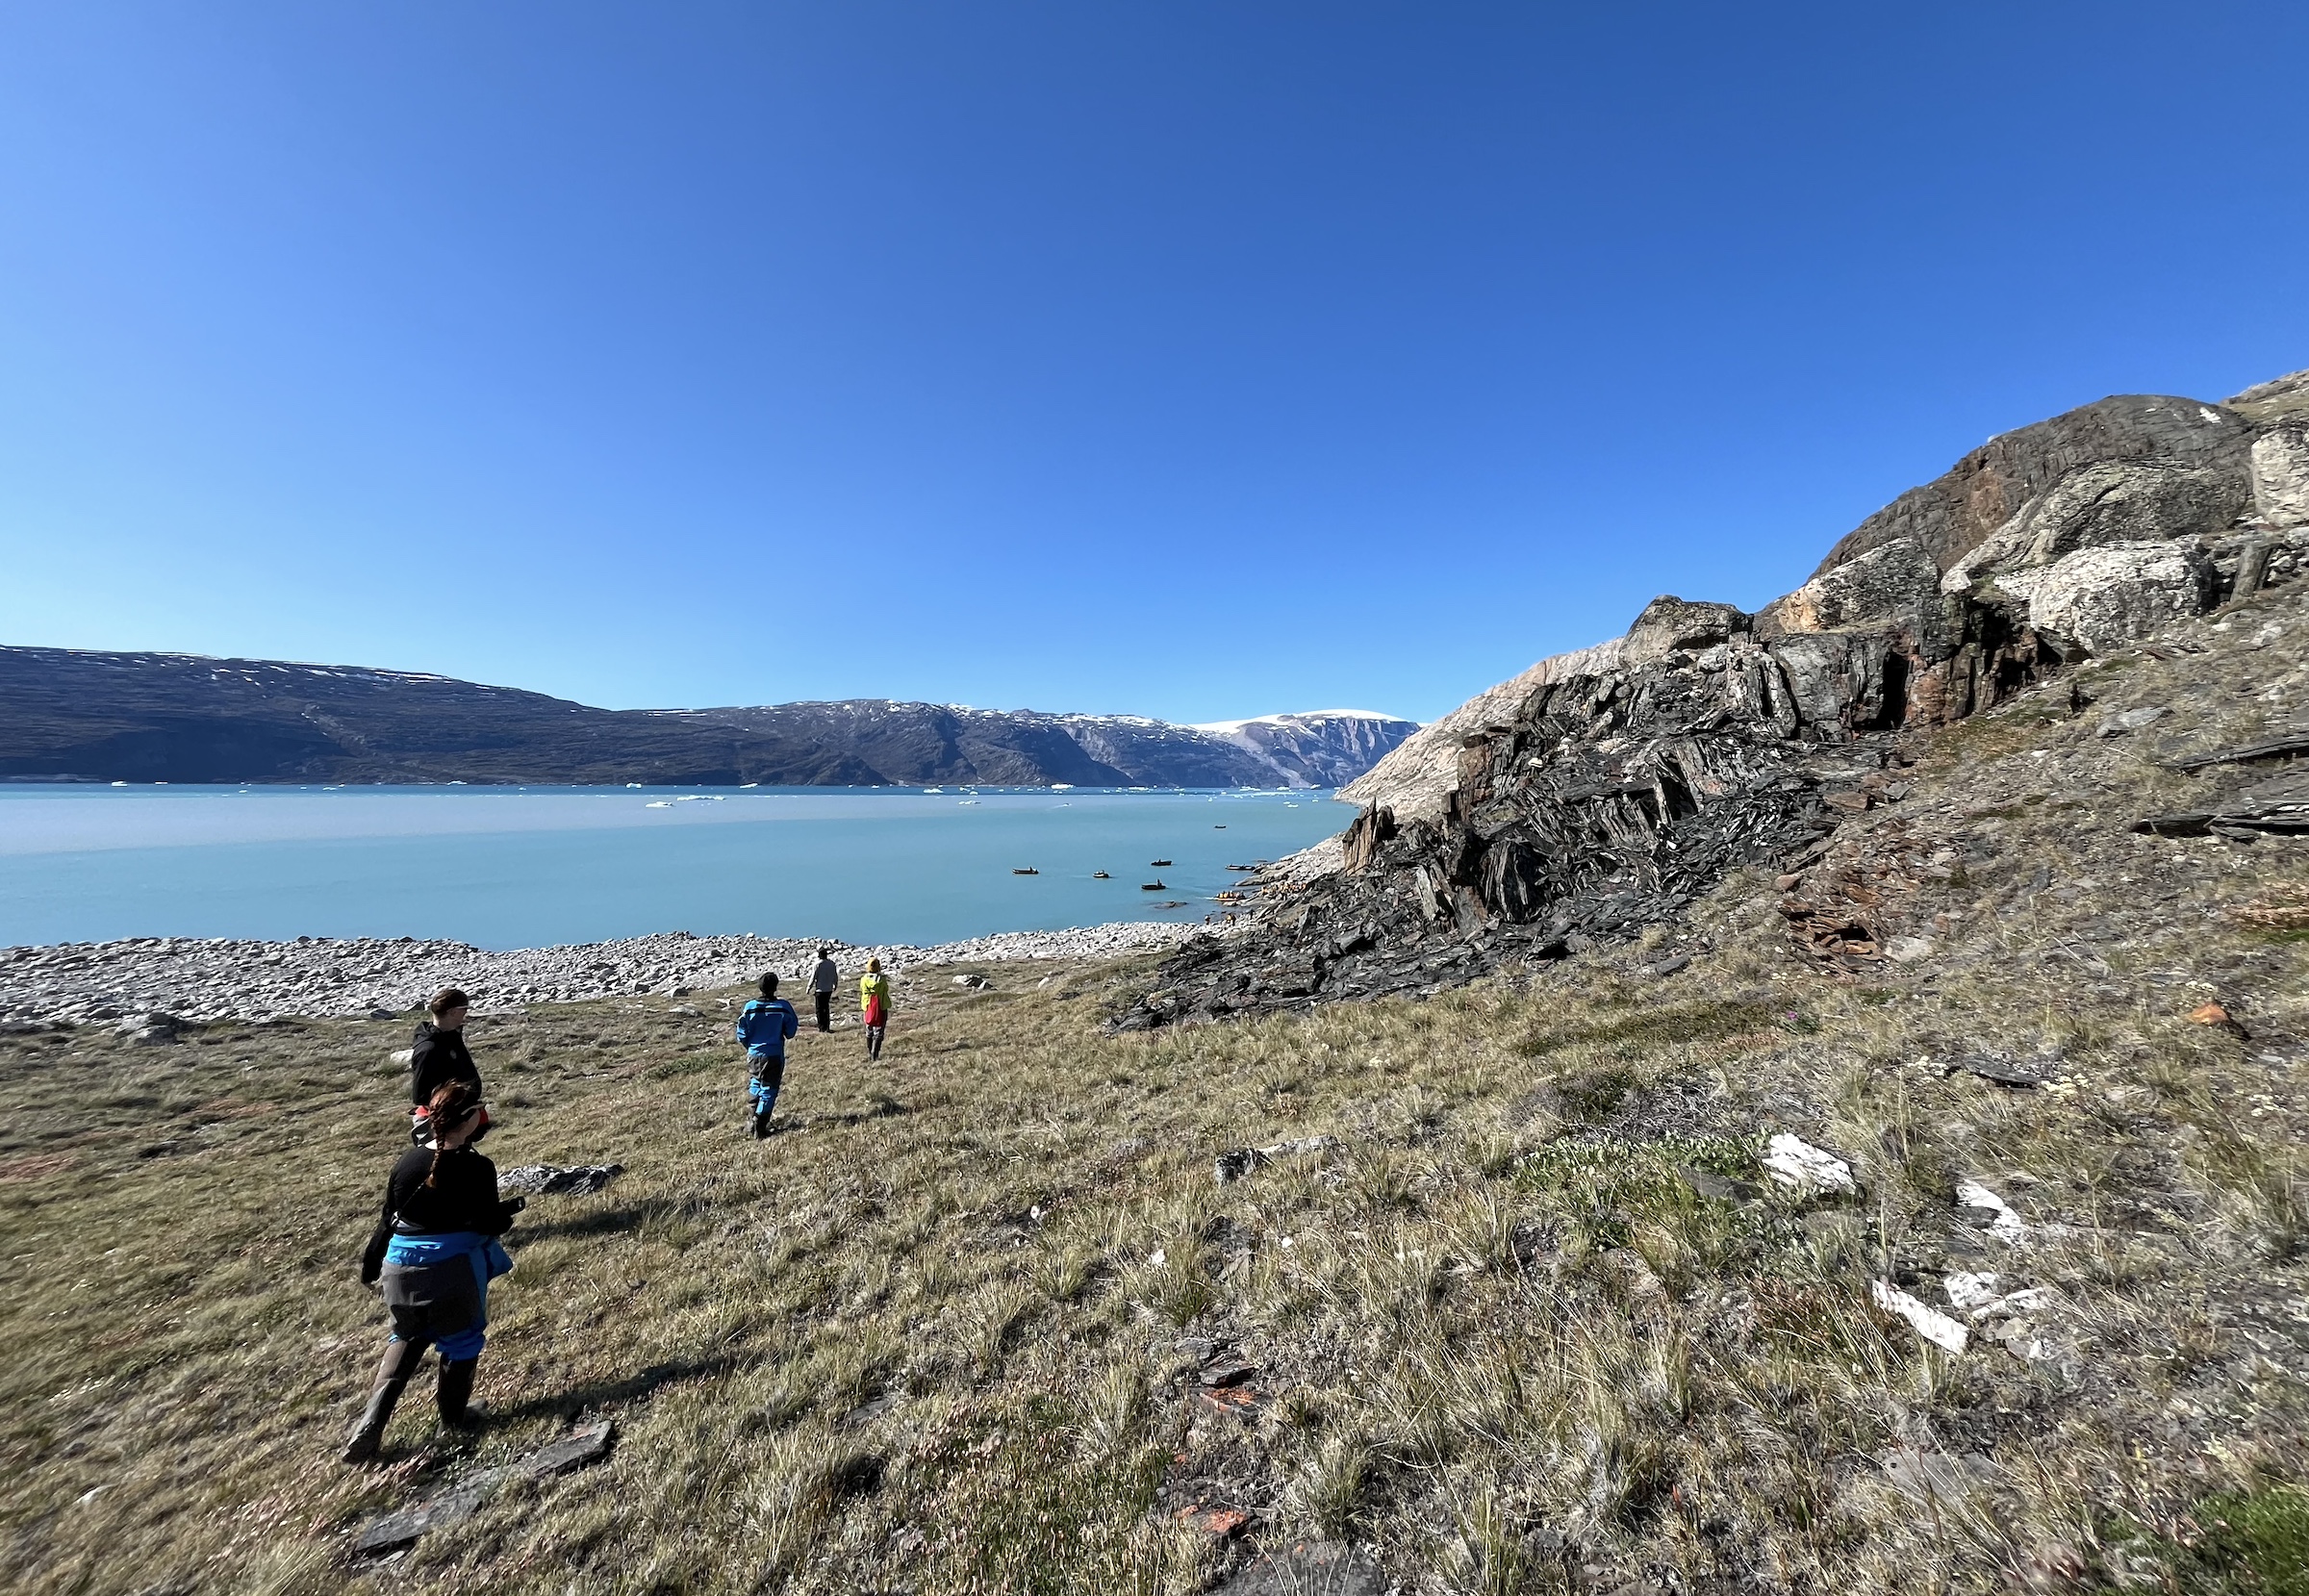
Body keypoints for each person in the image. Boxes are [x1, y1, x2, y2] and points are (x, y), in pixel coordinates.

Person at [344, 1078, 522, 1462]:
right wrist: (505, 1215)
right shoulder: (477, 1167)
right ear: (470, 1118)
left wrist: (370, 1265)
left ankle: (372, 1419)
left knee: (406, 1335)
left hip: (398, 1269)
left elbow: (386, 1223)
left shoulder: (406, 1163)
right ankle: (454, 1421)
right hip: (453, 1272)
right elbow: (487, 1224)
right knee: (460, 1343)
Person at [408, 988, 489, 1146]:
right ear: (452, 1012)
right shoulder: (429, 1049)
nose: (466, 1013)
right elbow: (421, 1095)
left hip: (458, 1119)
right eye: (463, 1009)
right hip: (441, 1122)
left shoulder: (450, 1036)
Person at [737, 972, 799, 1138]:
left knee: (755, 1082)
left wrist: (749, 1046)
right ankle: (760, 1124)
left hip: (753, 1053)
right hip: (773, 1054)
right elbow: (791, 1031)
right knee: (769, 1089)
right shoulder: (782, 1007)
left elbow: (741, 1032)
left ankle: (751, 1120)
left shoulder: (749, 1007)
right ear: (775, 987)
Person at [859, 957, 892, 1062]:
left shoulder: (864, 979)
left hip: (868, 1006)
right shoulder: (882, 979)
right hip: (881, 1005)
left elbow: (862, 990)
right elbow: (886, 989)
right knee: (879, 1030)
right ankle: (875, 1053)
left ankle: (870, 1052)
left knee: (869, 1029)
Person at [809, 947, 839, 1032]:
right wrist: (835, 985)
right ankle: (827, 1027)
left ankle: (821, 1027)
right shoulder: (832, 964)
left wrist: (809, 987)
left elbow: (813, 977)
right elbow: (835, 976)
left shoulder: (817, 964)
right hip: (828, 989)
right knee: (826, 1008)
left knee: (819, 1009)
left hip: (819, 990)